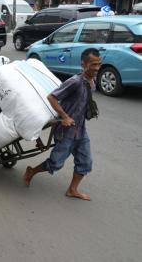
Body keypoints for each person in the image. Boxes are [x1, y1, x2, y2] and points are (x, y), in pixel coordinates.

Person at [23, 48, 102, 201]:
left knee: (85, 162)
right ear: (83, 64)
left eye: (99, 64)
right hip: (66, 131)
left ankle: (72, 190)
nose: (97, 68)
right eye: (93, 65)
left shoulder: (91, 81)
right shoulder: (74, 82)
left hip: (80, 130)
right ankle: (31, 171)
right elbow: (51, 97)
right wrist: (65, 117)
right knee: (55, 163)